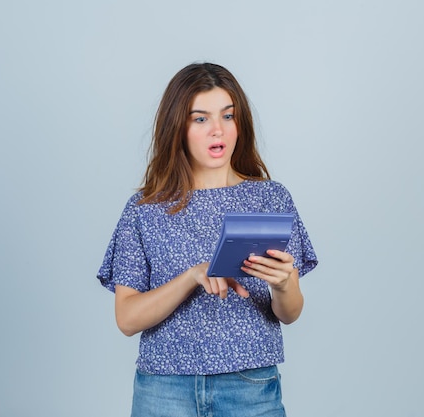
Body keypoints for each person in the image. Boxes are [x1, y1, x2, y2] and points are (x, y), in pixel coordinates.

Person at [97, 62, 318, 417]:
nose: (218, 130)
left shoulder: (269, 199)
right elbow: (126, 318)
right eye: (200, 119)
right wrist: (191, 277)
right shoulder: (145, 209)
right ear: (178, 127)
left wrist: (284, 283)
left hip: (250, 387)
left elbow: (289, 314)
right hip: (164, 389)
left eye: (228, 116)